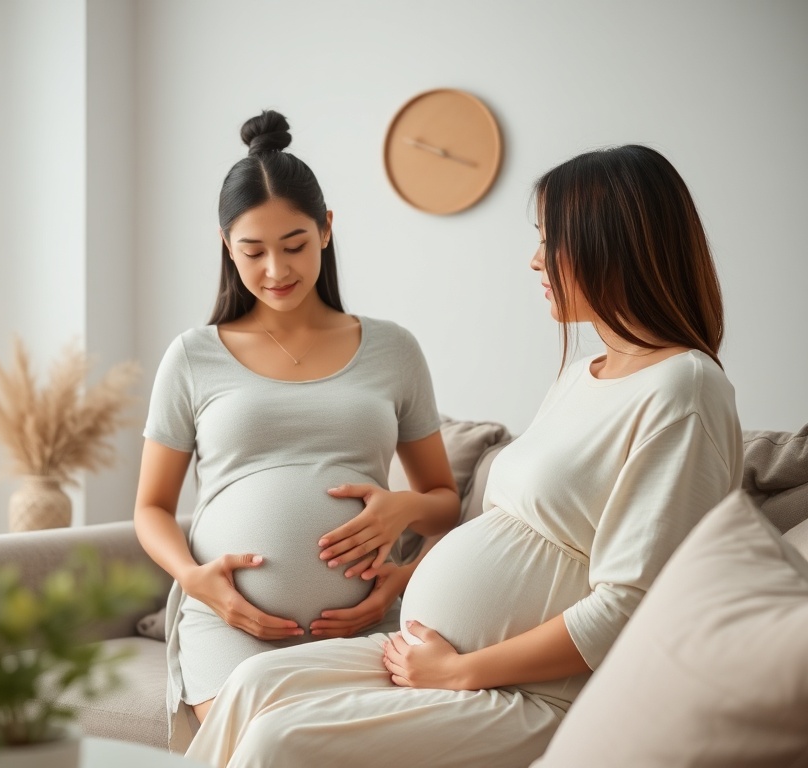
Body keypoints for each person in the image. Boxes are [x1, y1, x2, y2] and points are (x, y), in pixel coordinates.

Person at [185, 144, 745, 767]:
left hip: (535, 693)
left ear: (611, 245)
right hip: (439, 656)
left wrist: (458, 671)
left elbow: (632, 604)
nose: (535, 260)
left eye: (551, 240)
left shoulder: (683, 389)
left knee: (280, 740)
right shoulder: (584, 374)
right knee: (252, 684)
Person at [133, 110, 461, 751]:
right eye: (253, 251)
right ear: (226, 244)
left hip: (365, 621)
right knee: (268, 747)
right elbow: (150, 508)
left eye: (294, 245)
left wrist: (403, 531)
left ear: (326, 229)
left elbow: (445, 502)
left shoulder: (393, 350)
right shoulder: (193, 356)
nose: (276, 270)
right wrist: (196, 581)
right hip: (232, 625)